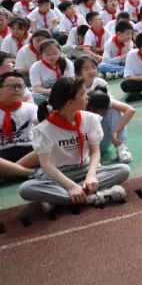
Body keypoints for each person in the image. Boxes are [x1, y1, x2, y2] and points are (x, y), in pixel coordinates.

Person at [18, 77, 130, 210]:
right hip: (58, 175)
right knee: (25, 189)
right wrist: (71, 186)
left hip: (85, 168)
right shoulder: (43, 129)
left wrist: (91, 176)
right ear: (70, 103)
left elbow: (95, 151)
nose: (87, 97)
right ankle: (92, 197)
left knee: (123, 170)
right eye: (83, 94)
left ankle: (59, 198)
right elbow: (46, 165)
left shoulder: (90, 119)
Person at [77, 57, 135, 164]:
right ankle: (87, 158)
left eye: (93, 67)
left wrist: (115, 131)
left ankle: (121, 148)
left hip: (101, 137)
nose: (91, 71)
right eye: (86, 69)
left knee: (113, 110)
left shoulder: (100, 83)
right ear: (78, 73)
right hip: (82, 141)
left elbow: (130, 110)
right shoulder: (74, 88)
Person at [0, 71, 38, 181]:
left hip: (28, 151)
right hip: (2, 154)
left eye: (20, 86)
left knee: (46, 148)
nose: (17, 90)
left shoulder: (31, 108)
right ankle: (30, 173)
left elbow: (41, 125)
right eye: (12, 86)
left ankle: (8, 173)